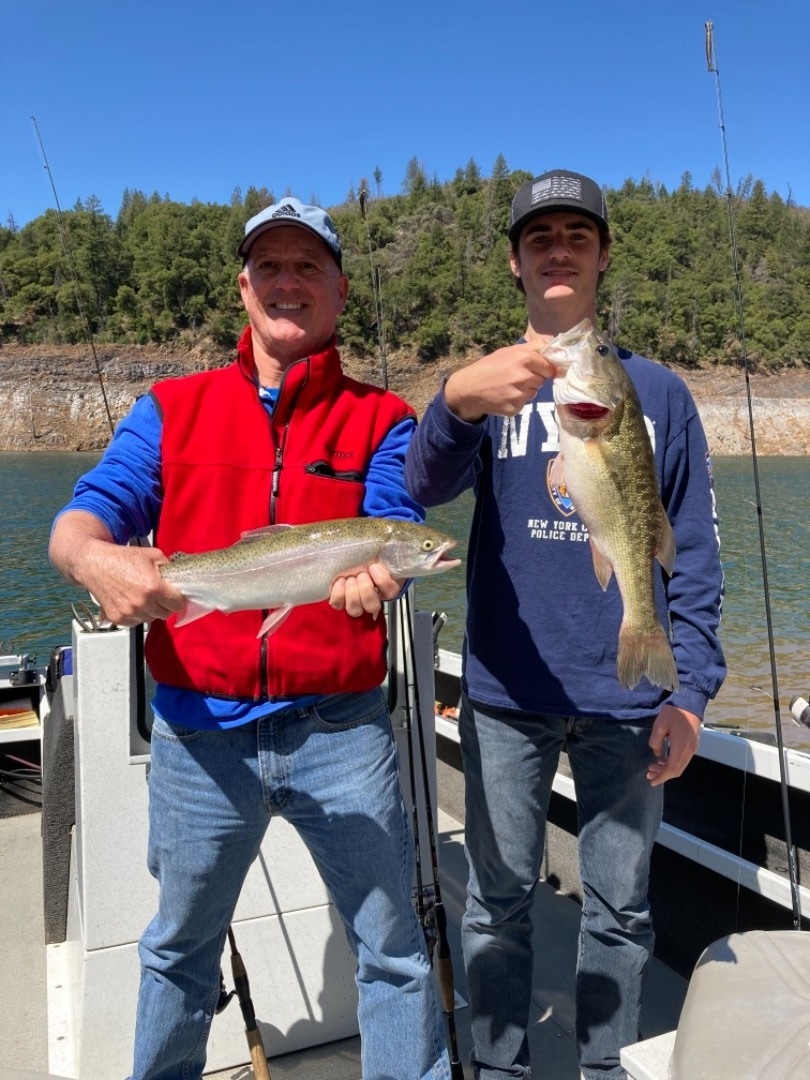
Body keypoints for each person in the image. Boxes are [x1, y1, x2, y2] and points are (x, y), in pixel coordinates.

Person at [49, 197, 450, 1080]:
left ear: (339, 291)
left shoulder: (385, 417)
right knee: (175, 953)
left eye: (308, 267)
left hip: (344, 733)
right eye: (270, 266)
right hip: (199, 738)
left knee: (393, 951)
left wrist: (386, 569)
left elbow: (394, 516)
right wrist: (91, 558)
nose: (288, 282)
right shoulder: (170, 406)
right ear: (243, 287)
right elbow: (93, 509)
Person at [405, 170, 726, 1080]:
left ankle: (605, 1071)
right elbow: (421, 489)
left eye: (576, 236)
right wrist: (458, 397)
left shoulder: (654, 393)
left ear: (601, 257)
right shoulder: (487, 385)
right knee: (496, 903)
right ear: (514, 262)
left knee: (620, 912)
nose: (558, 249)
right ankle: (501, 1071)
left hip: (627, 704)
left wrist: (692, 694)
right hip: (506, 695)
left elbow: (691, 549)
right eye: (539, 237)